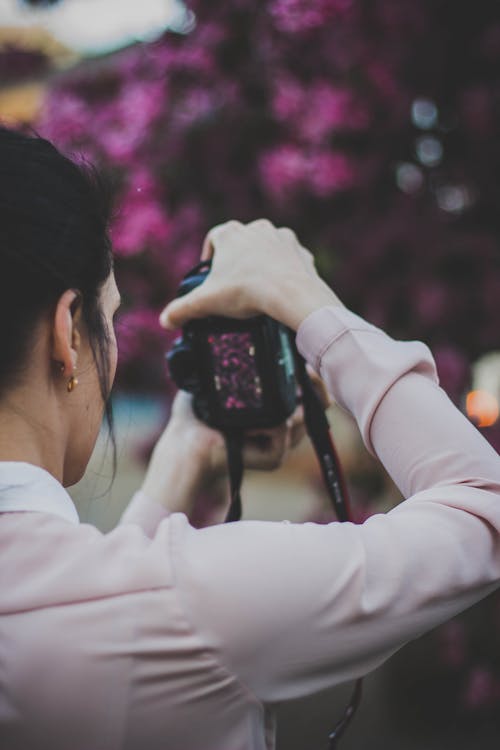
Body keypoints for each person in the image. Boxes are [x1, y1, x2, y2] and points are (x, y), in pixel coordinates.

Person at [0, 126, 499, 750]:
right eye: (110, 315)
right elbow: (482, 505)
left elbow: (108, 625)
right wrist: (305, 298)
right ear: (67, 335)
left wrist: (183, 456)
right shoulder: (189, 604)